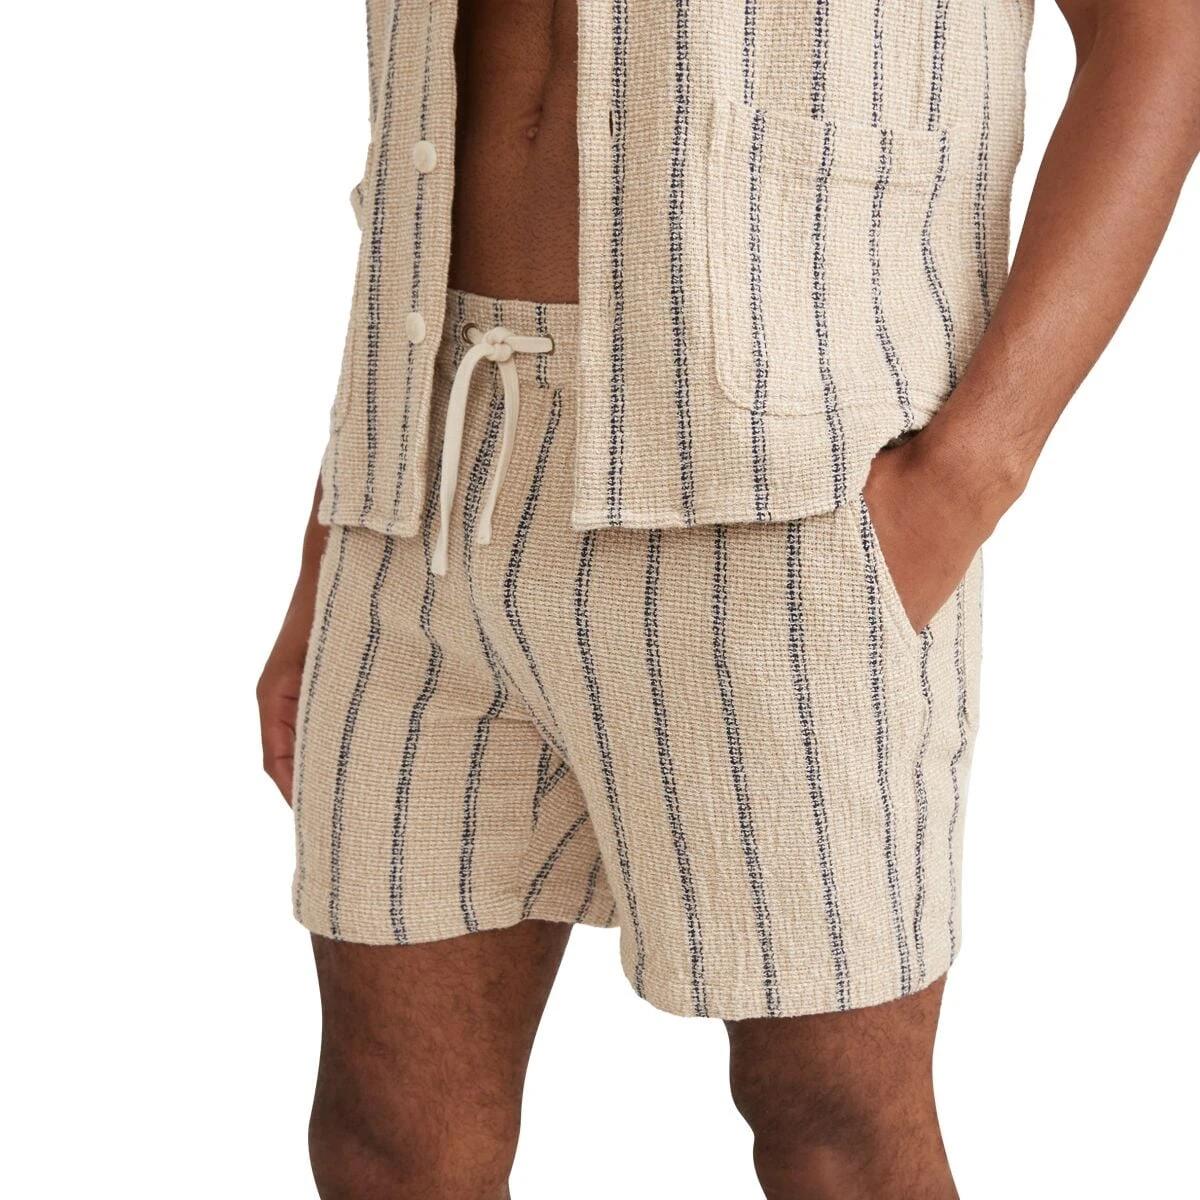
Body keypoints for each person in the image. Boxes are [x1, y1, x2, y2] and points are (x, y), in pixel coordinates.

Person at [256, 1, 1199, 1195]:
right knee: (382, 1137)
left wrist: (969, 473)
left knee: (832, 1126)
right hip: (427, 473)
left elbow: (1164, 30)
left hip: (779, 486)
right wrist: (336, 529)